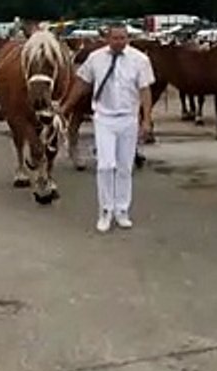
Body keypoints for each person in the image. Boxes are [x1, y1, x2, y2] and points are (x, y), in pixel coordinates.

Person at [62, 24, 154, 233]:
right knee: (105, 165)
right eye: (115, 38)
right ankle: (105, 211)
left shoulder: (140, 60)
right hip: (104, 117)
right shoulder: (96, 58)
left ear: (128, 38)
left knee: (124, 166)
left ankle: (122, 210)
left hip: (128, 118)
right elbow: (82, 83)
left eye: (123, 38)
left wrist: (146, 119)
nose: (119, 42)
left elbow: (145, 90)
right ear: (107, 39)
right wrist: (66, 107)